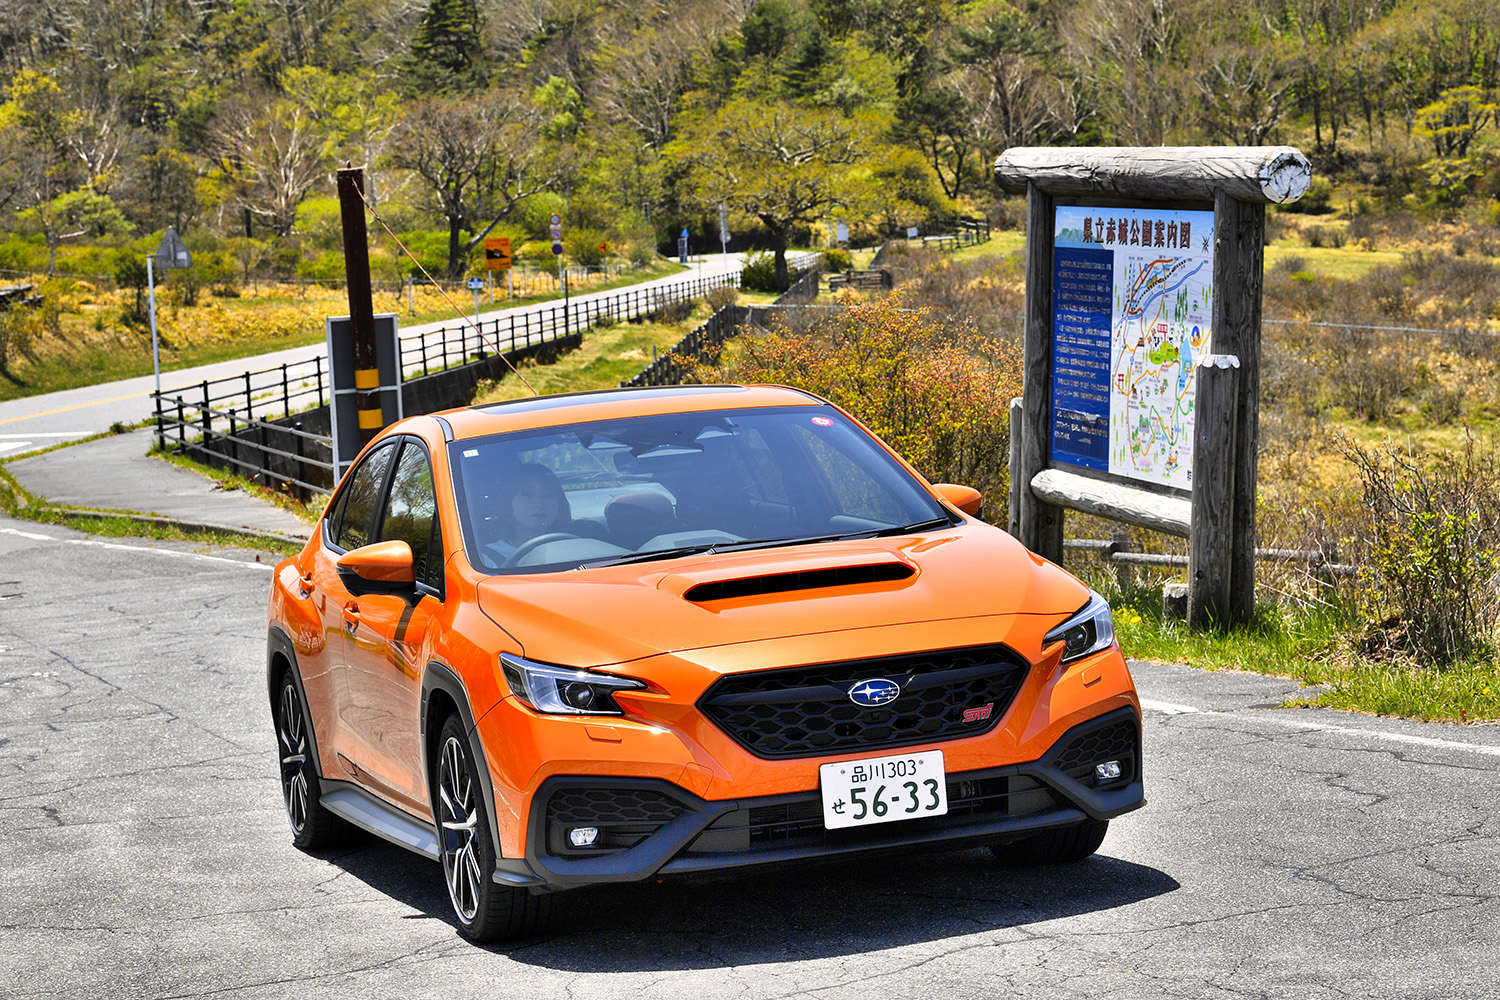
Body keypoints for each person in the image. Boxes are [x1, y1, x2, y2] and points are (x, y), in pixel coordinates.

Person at [483, 463, 573, 563]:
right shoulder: (486, 560)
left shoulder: (575, 550)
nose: (539, 504)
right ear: (509, 501)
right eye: (528, 495)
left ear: (559, 504)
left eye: (547, 495)